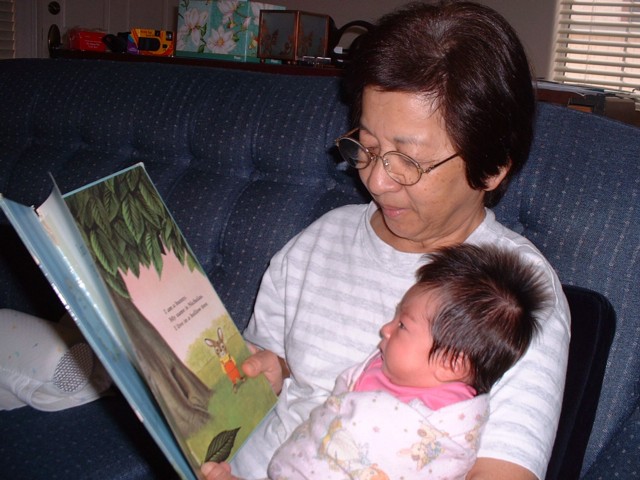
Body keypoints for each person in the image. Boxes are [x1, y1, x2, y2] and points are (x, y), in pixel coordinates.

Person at [204, 2, 571, 479]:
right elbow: (276, 363)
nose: (376, 182)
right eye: (368, 147)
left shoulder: (511, 300)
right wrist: (273, 370)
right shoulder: (323, 238)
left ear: (493, 166)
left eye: (409, 163)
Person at [205, 244, 551, 480]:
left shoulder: (440, 427)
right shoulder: (389, 368)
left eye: (402, 325)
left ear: (451, 363)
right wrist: (281, 366)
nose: (385, 329)